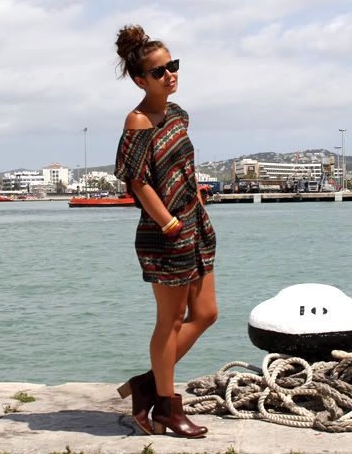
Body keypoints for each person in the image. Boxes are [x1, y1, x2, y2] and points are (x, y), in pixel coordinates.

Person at [112, 24, 217, 437]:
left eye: (172, 65)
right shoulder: (138, 121)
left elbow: (182, 169)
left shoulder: (177, 114)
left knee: (206, 313)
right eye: (159, 71)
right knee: (169, 322)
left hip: (195, 225)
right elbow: (137, 181)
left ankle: (147, 384)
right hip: (165, 233)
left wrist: (197, 208)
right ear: (141, 80)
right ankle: (168, 408)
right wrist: (169, 222)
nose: (170, 74)